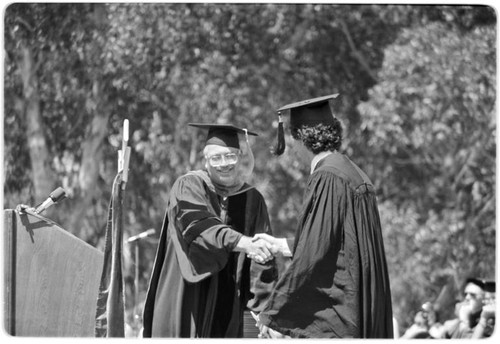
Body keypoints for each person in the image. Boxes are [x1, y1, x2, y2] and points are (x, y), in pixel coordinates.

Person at [253, 94, 394, 338]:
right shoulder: (352, 172)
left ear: (299, 138)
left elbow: (314, 252)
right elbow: (336, 241)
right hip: (361, 305)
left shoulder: (326, 176)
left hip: (339, 315)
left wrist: (274, 312)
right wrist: (280, 245)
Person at [142, 123, 279, 337]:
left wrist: (266, 311)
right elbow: (199, 227)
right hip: (185, 300)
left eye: (230, 156)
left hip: (226, 310)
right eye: (216, 158)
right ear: (206, 160)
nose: (224, 164)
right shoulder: (188, 186)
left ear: (240, 156)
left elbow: (261, 263)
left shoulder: (253, 200)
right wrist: (242, 242)